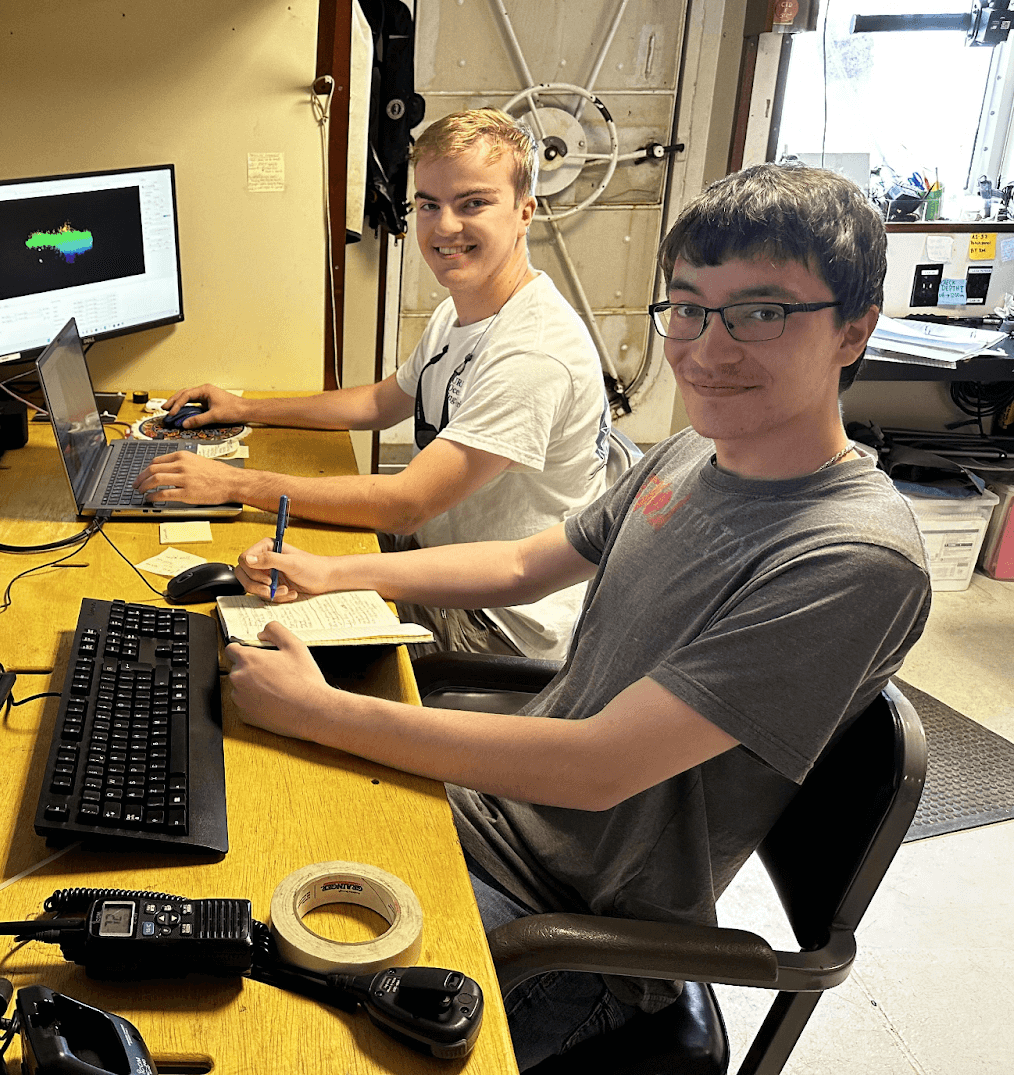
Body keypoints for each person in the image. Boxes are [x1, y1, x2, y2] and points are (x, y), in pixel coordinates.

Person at [223, 163, 931, 1069]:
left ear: (854, 330)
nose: (708, 351)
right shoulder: (692, 455)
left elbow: (599, 770)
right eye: (689, 308)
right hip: (492, 821)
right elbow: (527, 561)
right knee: (229, 844)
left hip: (566, 931)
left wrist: (320, 710)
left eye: (762, 313)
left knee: (266, 1044)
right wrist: (331, 571)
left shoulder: (850, 558)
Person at [136, 109, 611, 660]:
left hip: (491, 623)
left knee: (240, 650)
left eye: (473, 203)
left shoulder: (533, 351)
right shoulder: (467, 311)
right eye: (429, 204)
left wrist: (234, 485)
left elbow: (404, 505)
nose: (445, 226)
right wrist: (245, 407)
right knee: (252, 575)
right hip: (435, 558)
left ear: (524, 212)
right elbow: (383, 401)